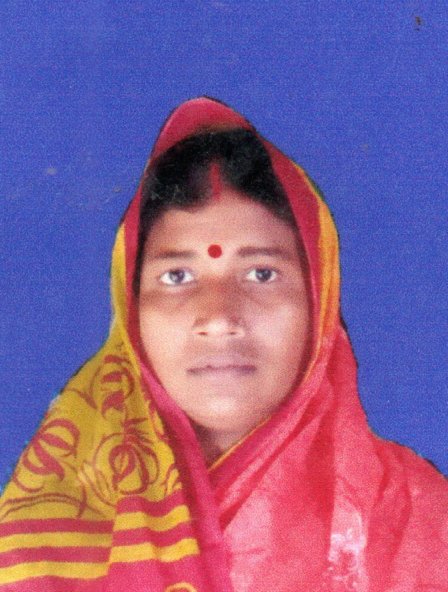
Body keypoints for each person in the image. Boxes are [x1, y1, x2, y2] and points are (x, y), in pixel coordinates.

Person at [0, 97, 446, 591]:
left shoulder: (419, 519)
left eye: (261, 273)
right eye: (177, 276)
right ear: (131, 310)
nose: (218, 319)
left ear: (319, 301)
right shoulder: (45, 528)